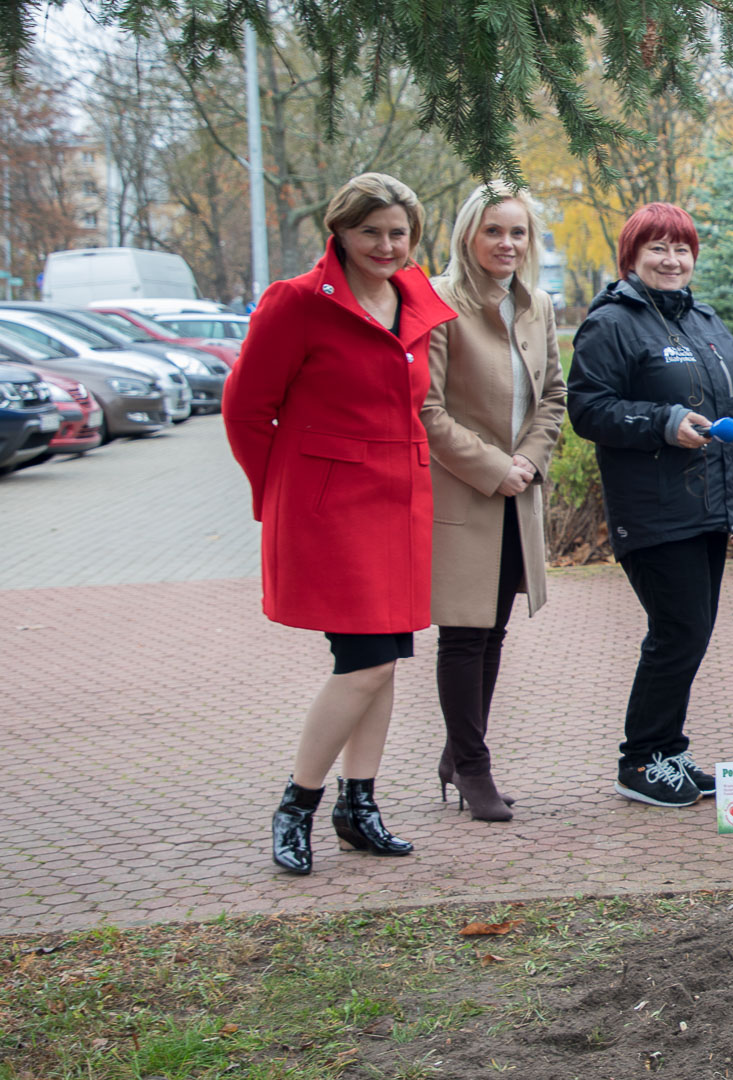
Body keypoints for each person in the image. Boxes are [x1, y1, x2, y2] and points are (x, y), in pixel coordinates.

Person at [226, 173, 458, 875]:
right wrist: (286, 493)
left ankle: (359, 806)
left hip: (399, 505)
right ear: (341, 232)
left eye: (399, 233)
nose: (387, 246)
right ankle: (297, 802)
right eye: (371, 232)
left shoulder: (413, 298)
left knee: (384, 665)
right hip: (331, 510)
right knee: (365, 664)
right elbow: (245, 410)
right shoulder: (297, 302)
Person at [568, 202, 733, 809]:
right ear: (632, 256)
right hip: (653, 508)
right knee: (677, 631)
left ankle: (667, 753)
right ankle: (639, 760)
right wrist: (663, 421)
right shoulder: (612, 323)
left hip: (706, 507)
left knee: (691, 632)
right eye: (658, 248)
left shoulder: (703, 317)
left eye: (681, 248)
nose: (672, 259)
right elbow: (586, 409)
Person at [421, 182, 567, 822]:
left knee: (494, 630)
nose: (507, 243)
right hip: (463, 493)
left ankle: (459, 752)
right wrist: (492, 467)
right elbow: (425, 409)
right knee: (463, 632)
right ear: (467, 236)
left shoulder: (536, 305)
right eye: (493, 231)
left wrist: (528, 462)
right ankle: (473, 768)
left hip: (517, 495)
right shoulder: (436, 301)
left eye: (518, 232)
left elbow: (553, 398)